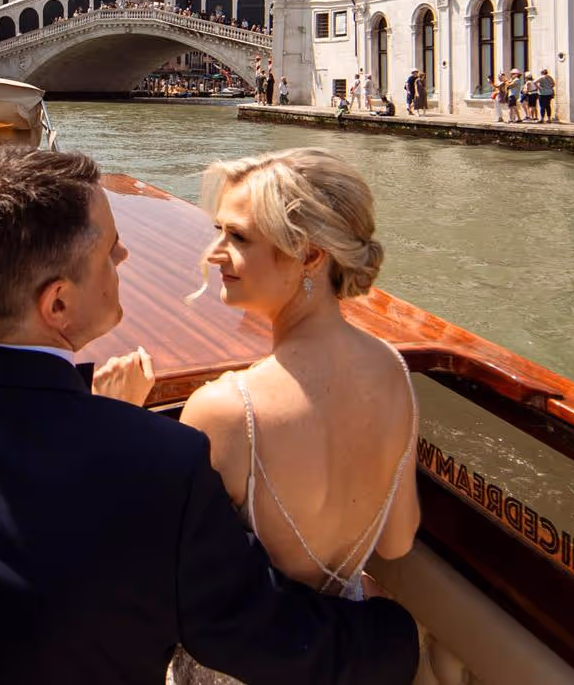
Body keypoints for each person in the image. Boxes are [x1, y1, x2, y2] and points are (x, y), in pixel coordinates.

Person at [0, 148, 420, 684]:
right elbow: (254, 633)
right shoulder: (159, 467)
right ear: (57, 303)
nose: (125, 261)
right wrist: (393, 639)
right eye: (110, 252)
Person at [165, 149, 421, 685]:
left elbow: (172, 583)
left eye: (238, 237)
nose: (214, 253)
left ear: (308, 256)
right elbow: (396, 543)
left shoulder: (226, 409)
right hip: (345, 654)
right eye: (219, 232)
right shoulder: (393, 372)